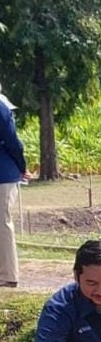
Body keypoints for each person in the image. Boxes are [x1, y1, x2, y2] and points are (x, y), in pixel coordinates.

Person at [0, 84, 31, 288]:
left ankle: (9, 274)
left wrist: (21, 166)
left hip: (2, 173)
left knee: (2, 223)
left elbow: (12, 141)